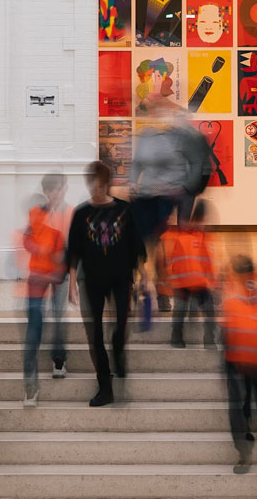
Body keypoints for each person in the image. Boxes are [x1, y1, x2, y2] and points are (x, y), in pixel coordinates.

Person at [67, 160, 147, 407]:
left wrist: (144, 276)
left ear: (108, 184)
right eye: (93, 185)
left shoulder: (124, 210)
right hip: (93, 280)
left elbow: (136, 245)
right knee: (96, 334)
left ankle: (119, 351)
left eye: (101, 185)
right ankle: (105, 386)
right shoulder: (81, 214)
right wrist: (72, 282)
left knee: (120, 326)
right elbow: (74, 251)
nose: (97, 190)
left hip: (121, 278)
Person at [129, 106, 211, 311]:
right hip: (147, 197)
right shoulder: (147, 137)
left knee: (165, 245)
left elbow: (195, 166)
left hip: (168, 198)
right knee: (140, 246)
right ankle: (137, 285)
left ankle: (165, 289)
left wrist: (184, 189)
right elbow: (137, 163)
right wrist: (133, 183)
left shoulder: (180, 138)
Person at [17, 172, 72, 407]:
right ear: (46, 191)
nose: (55, 194)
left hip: (60, 275)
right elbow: (26, 239)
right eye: (51, 190)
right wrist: (39, 249)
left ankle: (59, 360)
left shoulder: (70, 215)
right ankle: (30, 386)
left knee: (59, 318)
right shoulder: (36, 213)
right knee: (34, 329)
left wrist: (73, 280)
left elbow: (73, 248)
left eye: (58, 189)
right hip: (38, 276)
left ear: (64, 189)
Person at [222, 254, 257, 474]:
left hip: (251, 360)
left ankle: (248, 445)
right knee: (242, 405)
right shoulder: (233, 297)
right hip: (240, 359)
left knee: (248, 400)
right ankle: (245, 449)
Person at [161, 199, 217, 348]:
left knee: (181, 311)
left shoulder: (186, 237)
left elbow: (206, 260)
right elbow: (206, 260)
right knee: (204, 309)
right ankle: (207, 339)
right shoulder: (196, 237)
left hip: (188, 282)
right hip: (192, 282)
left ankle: (179, 337)